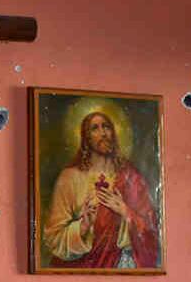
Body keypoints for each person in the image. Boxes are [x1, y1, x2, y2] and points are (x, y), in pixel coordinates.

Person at [43, 111, 160, 268]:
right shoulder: (69, 178)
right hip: (81, 267)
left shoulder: (130, 176)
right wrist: (82, 227)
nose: (103, 133)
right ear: (86, 137)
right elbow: (53, 237)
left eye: (106, 127)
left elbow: (151, 228)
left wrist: (125, 211)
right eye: (95, 128)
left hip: (120, 263)